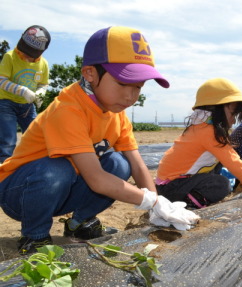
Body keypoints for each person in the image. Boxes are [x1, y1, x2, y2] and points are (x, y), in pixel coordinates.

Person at [0, 26, 199, 255]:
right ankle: (35, 236)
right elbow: (95, 179)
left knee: (118, 164)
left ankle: (80, 224)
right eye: (123, 83)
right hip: (19, 193)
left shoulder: (117, 115)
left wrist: (158, 204)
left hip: (64, 191)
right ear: (90, 74)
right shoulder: (67, 109)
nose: (130, 96)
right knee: (58, 169)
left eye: (138, 87)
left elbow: (137, 164)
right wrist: (151, 202)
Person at [155, 78, 242, 209]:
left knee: (218, 165)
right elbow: (232, 160)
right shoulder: (208, 131)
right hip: (172, 187)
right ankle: (188, 203)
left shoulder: (201, 125)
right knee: (222, 184)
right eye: (233, 115)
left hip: (168, 184)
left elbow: (227, 156)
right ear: (218, 109)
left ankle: (193, 196)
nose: (233, 121)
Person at [0, 25, 51, 163]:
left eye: (31, 53)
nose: (26, 55)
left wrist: (40, 93)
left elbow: (43, 84)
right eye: (24, 50)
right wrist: (22, 91)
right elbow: (1, 80)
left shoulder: (44, 64)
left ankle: (32, 164)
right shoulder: (9, 57)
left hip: (27, 106)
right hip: (6, 103)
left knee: (35, 136)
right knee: (8, 141)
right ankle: (4, 173)